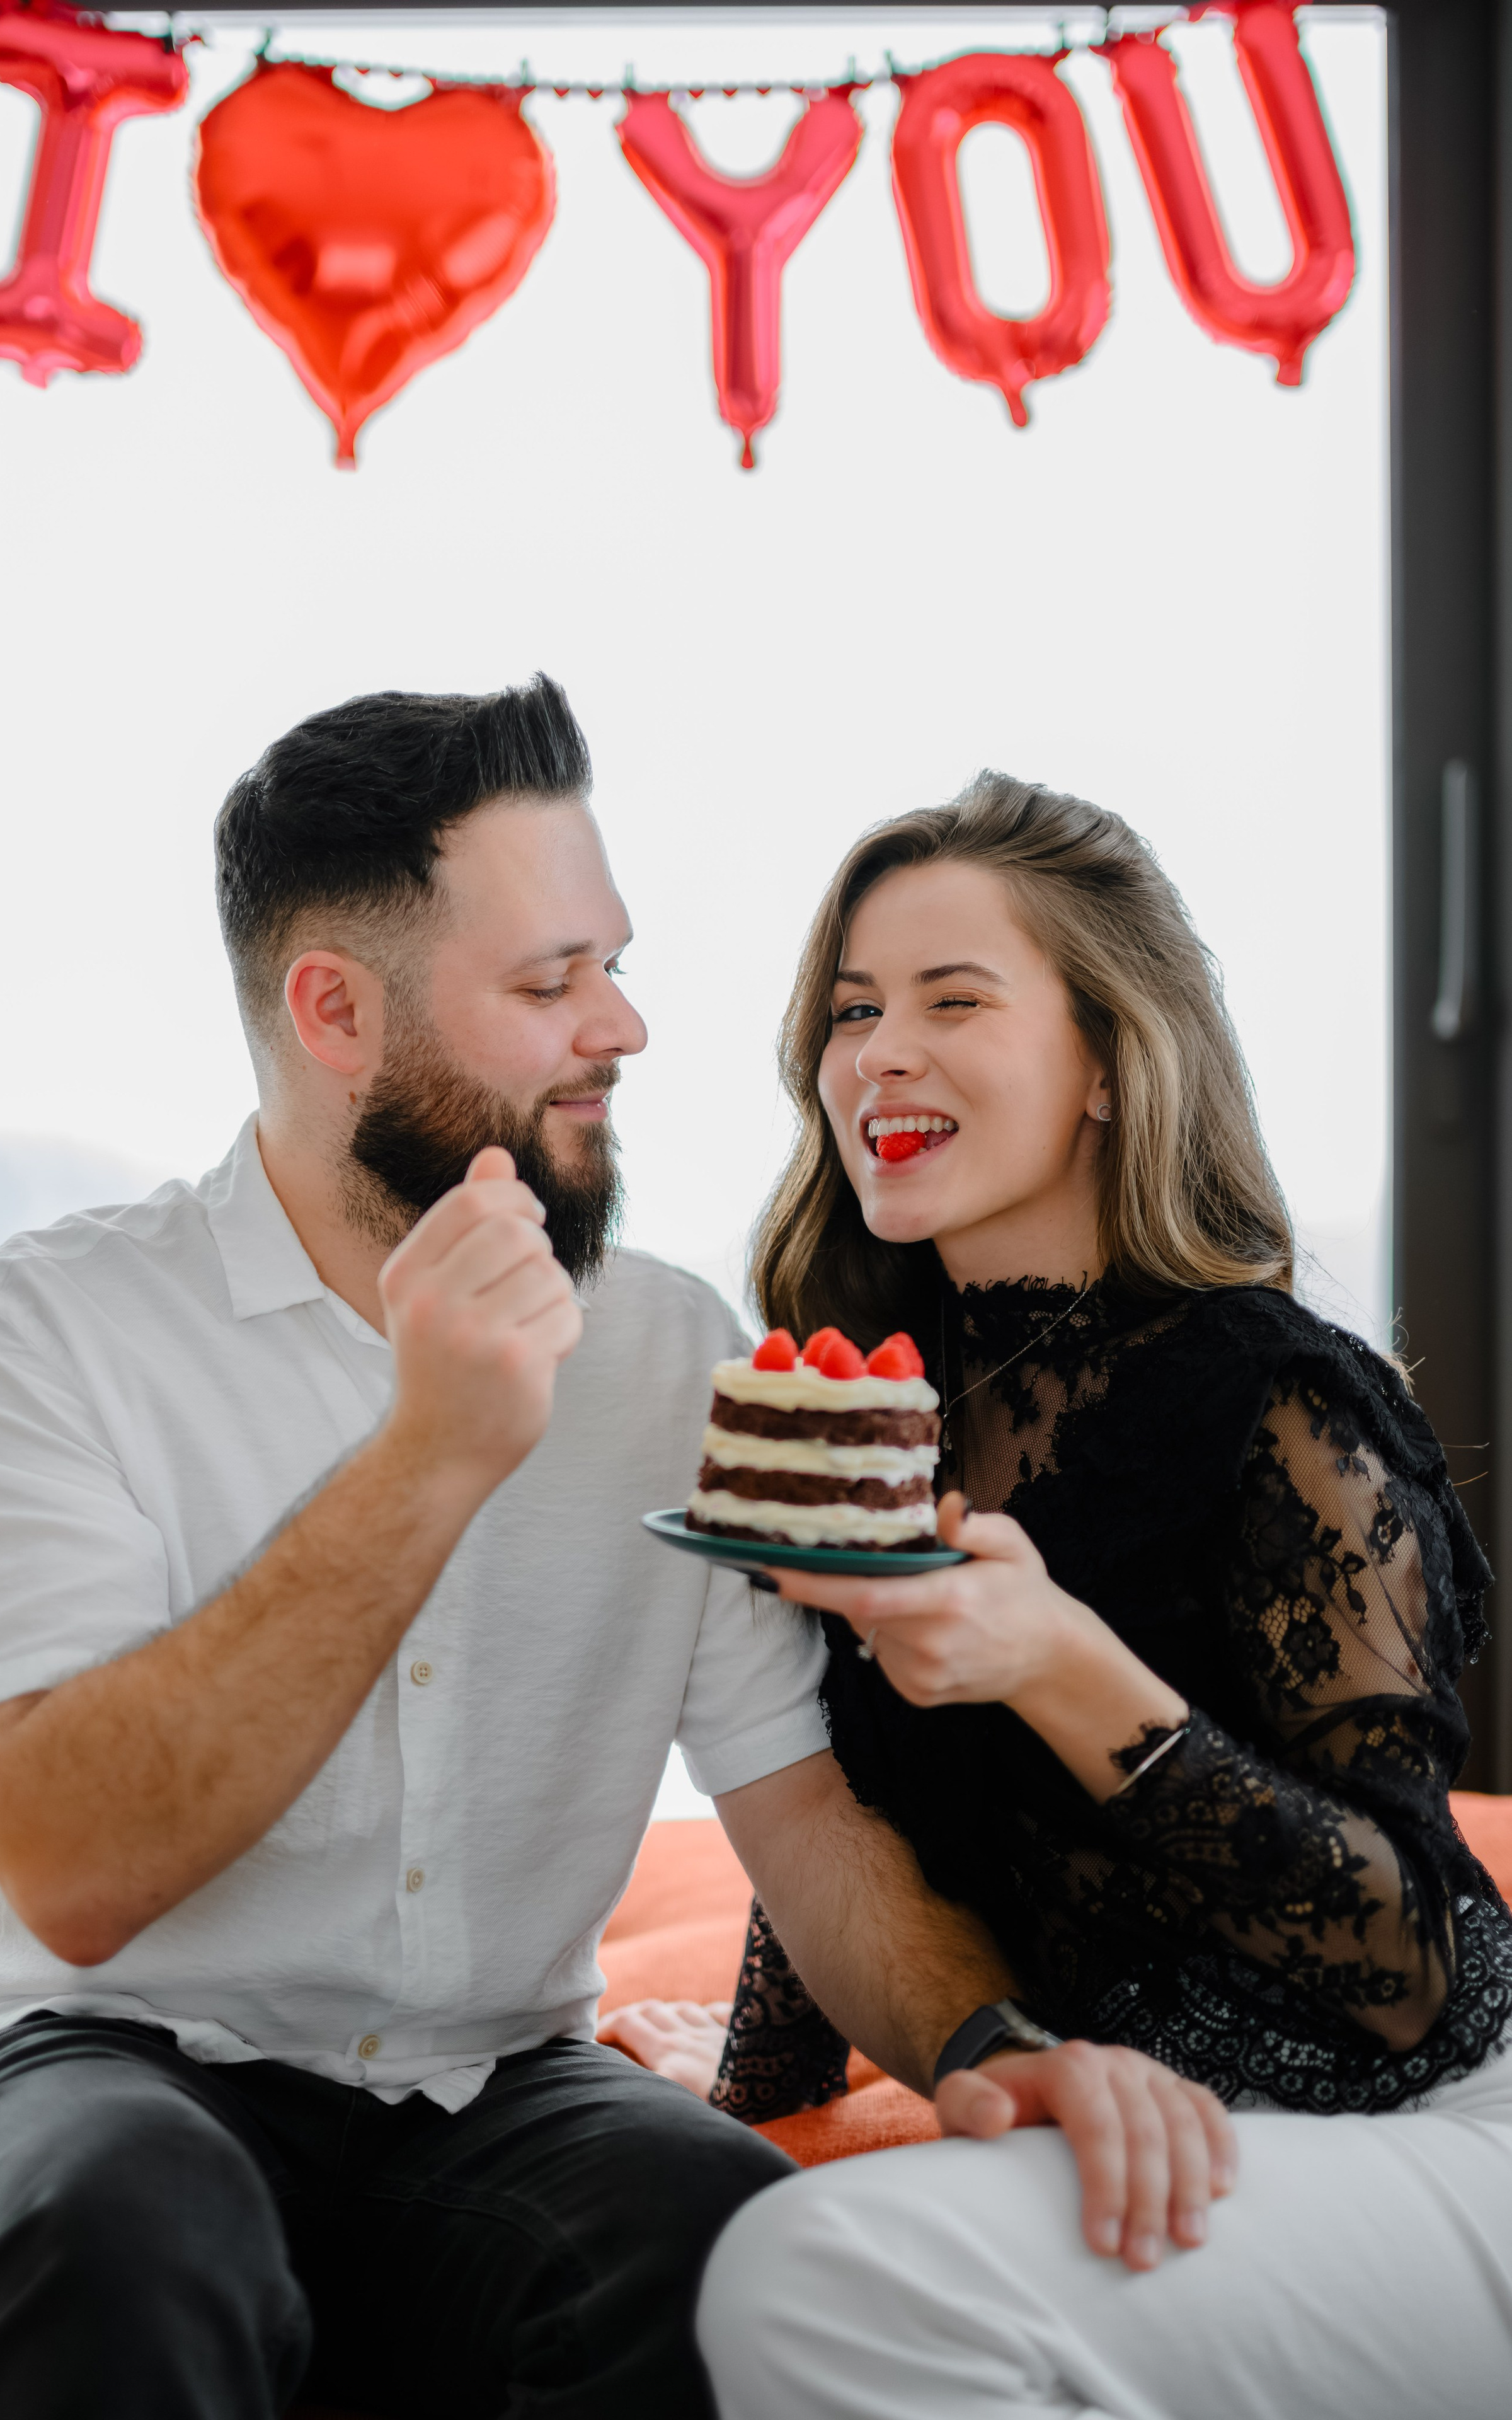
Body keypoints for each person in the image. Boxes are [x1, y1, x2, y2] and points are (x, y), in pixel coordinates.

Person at [0, 689, 1223, 2420]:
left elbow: (805, 1823)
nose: (624, 1027)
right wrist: (429, 1455)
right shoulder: (29, 1335)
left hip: (488, 2090)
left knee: (733, 2245)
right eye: (550, 985)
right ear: (335, 1013)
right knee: (136, 2226)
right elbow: (72, 1873)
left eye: (616, 965)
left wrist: (992, 2046)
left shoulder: (671, 1353)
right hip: (81, 2065)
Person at [671, 771, 1512, 2420]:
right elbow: (841, 1800)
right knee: (720, 2247)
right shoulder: (881, 1410)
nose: (878, 1053)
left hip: (1432, 2126)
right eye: (852, 1011)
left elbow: (1420, 1971)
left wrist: (1061, 1664)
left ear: (1113, 1064)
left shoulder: (1281, 1400)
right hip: (1165, 2142)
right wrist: (743, 2105)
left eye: (952, 1000)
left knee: (813, 2279)